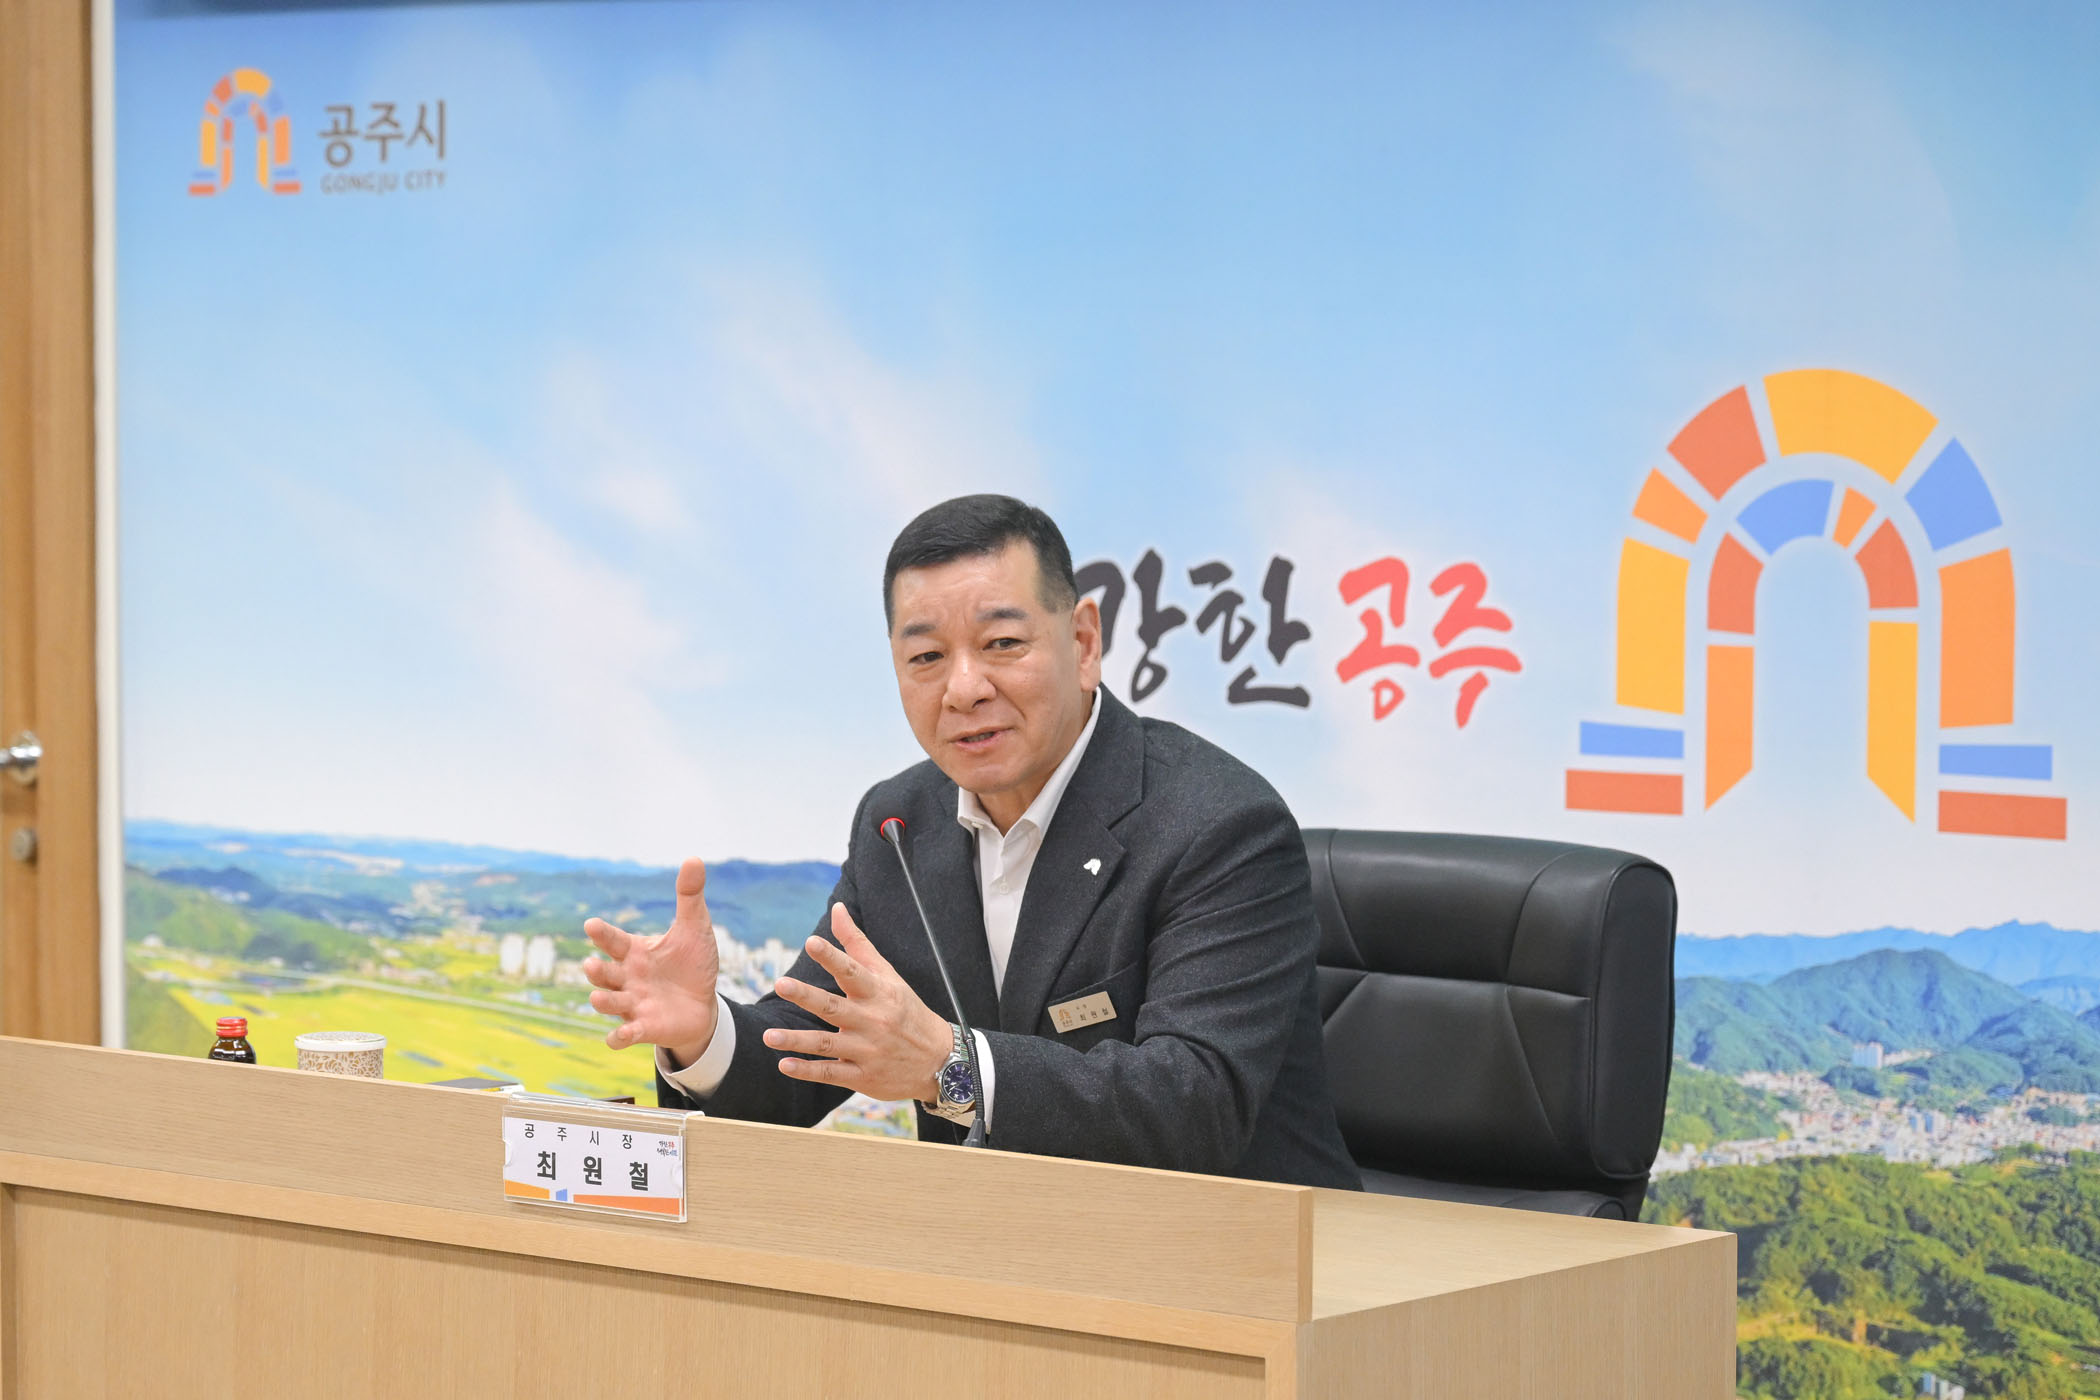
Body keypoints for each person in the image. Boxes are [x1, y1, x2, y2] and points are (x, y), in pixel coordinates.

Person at [582, 494, 1360, 1189]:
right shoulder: (899, 823)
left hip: (1250, 1267)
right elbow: (809, 1054)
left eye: (1002, 644)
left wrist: (947, 1068)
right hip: (993, 1259)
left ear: (1084, 641)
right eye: (926, 658)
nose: (963, 689)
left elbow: (1194, 1106)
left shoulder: (1217, 823)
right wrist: (703, 1033)